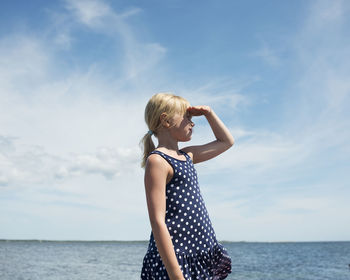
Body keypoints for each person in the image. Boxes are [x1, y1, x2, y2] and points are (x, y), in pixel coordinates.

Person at [140, 93, 234, 280]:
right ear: (165, 121)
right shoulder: (158, 161)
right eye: (187, 117)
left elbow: (226, 142)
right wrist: (176, 276)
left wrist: (209, 113)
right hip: (177, 259)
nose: (192, 122)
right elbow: (157, 221)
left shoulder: (187, 156)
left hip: (201, 252)